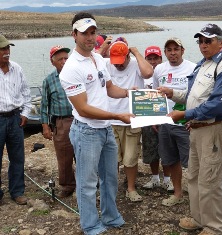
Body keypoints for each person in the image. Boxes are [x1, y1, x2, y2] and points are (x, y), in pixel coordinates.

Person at [159, 24, 222, 234]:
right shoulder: (201, 65)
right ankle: (198, 218)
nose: (203, 45)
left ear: (221, 42)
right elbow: (192, 95)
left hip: (212, 129)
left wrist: (184, 114)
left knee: (210, 180)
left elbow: (219, 104)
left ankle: (214, 227)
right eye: (200, 41)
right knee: (194, 176)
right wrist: (172, 93)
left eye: (208, 41)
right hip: (195, 129)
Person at [59, 12, 134, 234]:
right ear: (74, 34)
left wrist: (133, 93)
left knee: (111, 178)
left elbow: (110, 88)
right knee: (87, 183)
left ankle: (111, 216)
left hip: (105, 129)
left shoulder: (98, 58)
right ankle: (90, 225)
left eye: (93, 32)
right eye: (84, 33)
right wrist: (118, 116)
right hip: (87, 131)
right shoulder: (71, 68)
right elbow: (83, 108)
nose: (90, 38)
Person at [105, 38, 153, 202]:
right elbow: (90, 64)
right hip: (111, 118)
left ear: (127, 57)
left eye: (121, 61)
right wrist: (105, 46)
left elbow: (148, 73)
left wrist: (137, 53)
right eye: (115, 61)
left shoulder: (135, 64)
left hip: (132, 119)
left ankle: (131, 188)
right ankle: (110, 189)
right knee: (111, 159)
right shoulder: (106, 64)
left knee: (131, 158)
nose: (117, 65)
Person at [153, 37, 196, 206]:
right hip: (165, 122)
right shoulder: (159, 69)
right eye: (169, 50)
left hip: (184, 123)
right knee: (170, 160)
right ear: (165, 53)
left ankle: (196, 197)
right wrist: (155, 118)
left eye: (176, 49)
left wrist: (194, 119)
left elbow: (196, 97)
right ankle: (177, 194)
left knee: (192, 163)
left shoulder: (193, 68)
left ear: (182, 51)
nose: (173, 53)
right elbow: (156, 94)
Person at [40, 45, 76, 198]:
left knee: (84, 154)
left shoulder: (76, 75)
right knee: (64, 156)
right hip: (61, 122)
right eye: (60, 59)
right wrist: (45, 126)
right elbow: (44, 105)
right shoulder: (48, 80)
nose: (64, 61)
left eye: (66, 58)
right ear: (52, 62)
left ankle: (88, 183)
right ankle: (67, 186)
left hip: (80, 119)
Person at [0, 35, 31, 205]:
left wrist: (25, 113)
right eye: (3, 49)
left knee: (18, 157)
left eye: (8, 48)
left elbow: (26, 93)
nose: (7, 52)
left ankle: (17, 191)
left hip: (15, 118)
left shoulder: (17, 69)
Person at [141, 46, 174, 191]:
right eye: (150, 59)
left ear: (161, 58)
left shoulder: (166, 72)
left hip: (165, 118)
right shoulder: (141, 73)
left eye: (156, 58)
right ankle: (155, 178)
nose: (153, 61)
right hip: (147, 118)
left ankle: (167, 179)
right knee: (150, 150)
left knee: (166, 150)